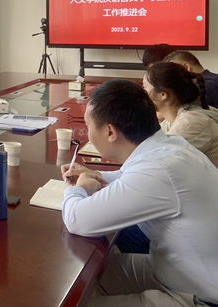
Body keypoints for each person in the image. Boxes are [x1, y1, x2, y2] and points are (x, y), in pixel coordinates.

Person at [61, 79, 218, 306]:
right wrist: (94, 175)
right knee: (75, 277)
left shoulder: (158, 170)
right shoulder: (169, 146)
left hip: (199, 297)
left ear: (110, 131)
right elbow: (132, 178)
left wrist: (76, 190)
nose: (87, 132)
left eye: (88, 125)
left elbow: (77, 221)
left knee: (79, 291)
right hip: (179, 273)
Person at [143, 61, 218, 167]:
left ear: (163, 94)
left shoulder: (192, 121)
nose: (143, 95)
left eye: (145, 90)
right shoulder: (171, 121)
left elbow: (157, 164)